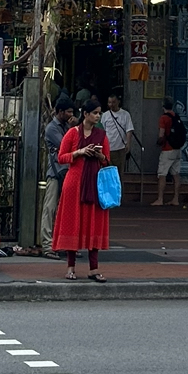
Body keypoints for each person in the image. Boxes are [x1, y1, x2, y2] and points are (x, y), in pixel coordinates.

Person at [52, 98, 110, 281]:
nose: (97, 116)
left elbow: (107, 160)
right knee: (73, 223)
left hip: (94, 183)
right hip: (74, 183)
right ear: (85, 114)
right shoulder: (72, 133)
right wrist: (79, 152)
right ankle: (71, 267)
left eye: (99, 113)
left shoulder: (101, 134)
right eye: (95, 113)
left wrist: (98, 154)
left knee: (93, 222)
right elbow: (61, 157)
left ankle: (94, 268)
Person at [40, 96, 74, 256]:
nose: (71, 114)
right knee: (50, 208)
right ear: (60, 112)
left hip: (67, 171)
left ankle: (64, 243)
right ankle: (47, 245)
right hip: (55, 172)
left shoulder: (66, 126)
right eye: (68, 112)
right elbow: (66, 146)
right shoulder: (52, 128)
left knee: (65, 209)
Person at [152, 97, 183, 208]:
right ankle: (176, 199)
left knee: (162, 174)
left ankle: (160, 199)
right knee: (176, 175)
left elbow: (161, 135)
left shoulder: (164, 118)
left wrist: (157, 143)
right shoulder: (176, 116)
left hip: (167, 149)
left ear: (163, 106)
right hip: (177, 149)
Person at [102, 92, 136, 175]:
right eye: (109, 102)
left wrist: (128, 144)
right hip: (108, 148)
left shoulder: (125, 114)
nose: (111, 104)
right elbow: (102, 130)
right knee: (108, 172)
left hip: (120, 148)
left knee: (119, 173)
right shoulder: (105, 115)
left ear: (118, 102)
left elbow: (129, 130)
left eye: (113, 102)